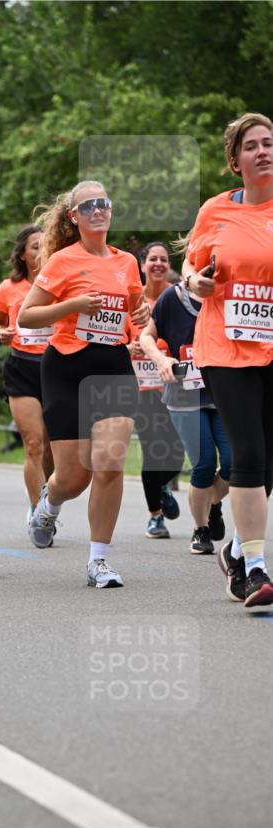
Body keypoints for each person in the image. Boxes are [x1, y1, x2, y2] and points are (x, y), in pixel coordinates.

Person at [19, 180, 149, 588]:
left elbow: (134, 310)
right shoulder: (60, 262)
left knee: (110, 463)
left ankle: (98, 561)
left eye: (103, 203)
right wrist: (73, 305)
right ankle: (49, 501)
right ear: (74, 217)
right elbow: (27, 316)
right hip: (66, 369)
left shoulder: (127, 261)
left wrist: (142, 318)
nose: (97, 210)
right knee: (75, 477)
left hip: (112, 365)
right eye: (87, 205)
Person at [181, 112, 273, 609]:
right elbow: (190, 270)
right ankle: (256, 567)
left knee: (269, 462)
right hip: (226, 346)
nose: (264, 152)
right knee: (248, 454)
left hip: (272, 345)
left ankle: (237, 549)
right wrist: (195, 283)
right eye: (252, 146)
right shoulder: (216, 211)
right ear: (235, 161)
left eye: (269, 143)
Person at [139, 281, 231, 554]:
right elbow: (146, 336)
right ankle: (200, 530)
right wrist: (160, 359)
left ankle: (212, 503)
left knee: (233, 463)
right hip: (184, 394)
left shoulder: (227, 293)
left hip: (223, 392)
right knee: (203, 463)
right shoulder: (172, 297)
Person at [0, 224, 54, 526]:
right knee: (34, 443)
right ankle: (40, 513)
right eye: (35, 246)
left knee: (52, 447)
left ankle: (45, 496)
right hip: (21, 366)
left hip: (56, 367)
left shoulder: (62, 284)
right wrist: (1, 333)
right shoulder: (7, 288)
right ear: (22, 255)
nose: (41, 251)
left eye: (46, 245)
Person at [129, 242, 186, 539]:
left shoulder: (176, 298)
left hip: (174, 386)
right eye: (153, 259)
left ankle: (164, 485)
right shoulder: (132, 299)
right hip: (141, 387)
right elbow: (115, 341)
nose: (159, 264)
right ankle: (155, 517)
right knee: (153, 450)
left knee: (178, 451)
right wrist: (129, 347)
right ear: (143, 265)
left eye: (164, 259)